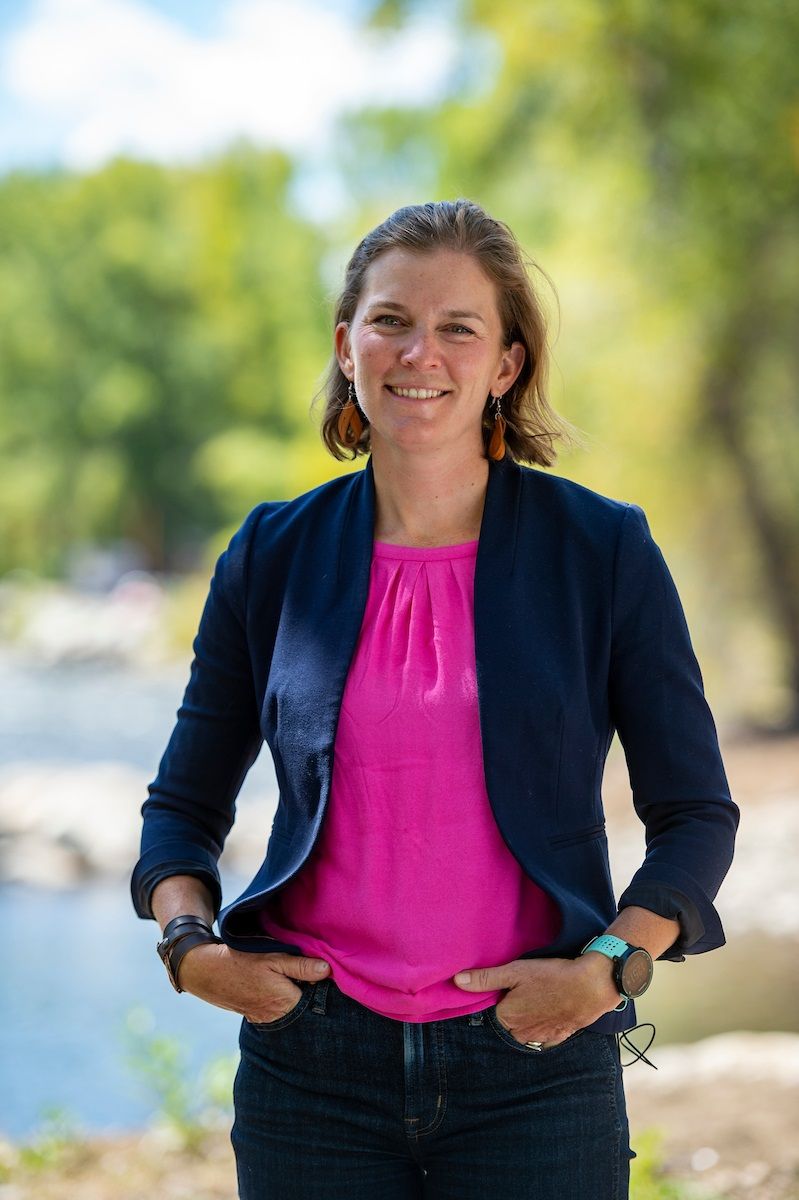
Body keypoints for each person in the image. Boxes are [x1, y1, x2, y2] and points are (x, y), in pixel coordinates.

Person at [131, 199, 738, 1199]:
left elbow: (694, 815)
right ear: (347, 344)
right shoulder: (272, 554)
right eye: (391, 320)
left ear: (506, 364)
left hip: (535, 1062)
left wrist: (607, 971)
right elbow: (182, 809)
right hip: (308, 1071)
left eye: (459, 327)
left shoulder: (602, 550)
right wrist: (191, 951)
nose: (422, 353)